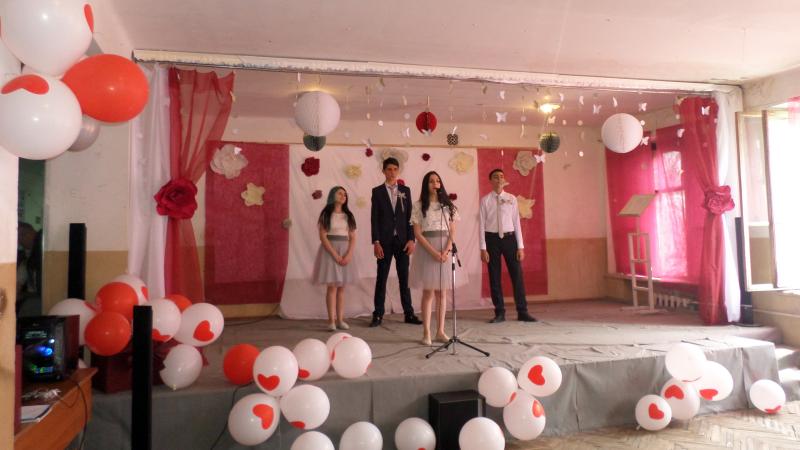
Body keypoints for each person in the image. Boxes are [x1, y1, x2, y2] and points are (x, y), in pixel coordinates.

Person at [410, 171, 467, 345]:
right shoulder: (419, 205)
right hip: (427, 250)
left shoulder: (448, 206)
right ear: (426, 185)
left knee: (442, 293)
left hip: (445, 250)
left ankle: (440, 331)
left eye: (437, 181)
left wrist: (446, 251)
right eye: (431, 181)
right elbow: (417, 233)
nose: (435, 183)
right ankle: (426, 333)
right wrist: (434, 253)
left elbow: (452, 231)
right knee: (428, 292)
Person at [479, 169, 537, 323]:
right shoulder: (485, 200)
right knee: (494, 276)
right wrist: (483, 248)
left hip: (510, 239)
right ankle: (499, 312)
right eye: (495, 177)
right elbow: (481, 225)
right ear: (490, 180)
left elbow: (516, 222)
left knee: (517, 275)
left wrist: (520, 246)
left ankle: (522, 311)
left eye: (501, 176)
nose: (499, 179)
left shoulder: (511, 199)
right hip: (491, 240)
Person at [370, 157, 422, 327]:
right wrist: (376, 241)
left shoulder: (405, 191)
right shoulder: (377, 192)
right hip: (384, 241)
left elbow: (410, 217)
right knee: (381, 278)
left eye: (395, 169)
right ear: (383, 171)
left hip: (402, 241)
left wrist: (411, 239)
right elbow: (374, 218)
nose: (392, 172)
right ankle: (378, 314)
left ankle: (409, 313)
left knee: (404, 278)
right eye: (389, 169)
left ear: (398, 171)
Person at [311, 186, 358, 331]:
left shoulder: (348, 216)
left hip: (345, 250)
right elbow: (323, 236)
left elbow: (353, 237)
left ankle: (340, 320)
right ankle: (331, 320)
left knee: (341, 288)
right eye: (340, 193)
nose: (343, 196)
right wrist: (335, 255)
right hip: (329, 252)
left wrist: (349, 254)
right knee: (332, 287)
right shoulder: (326, 214)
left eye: (345, 194)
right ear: (333, 195)